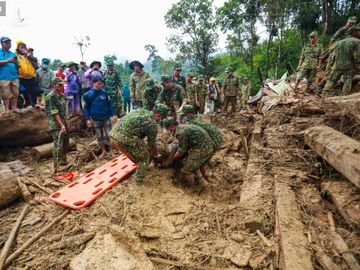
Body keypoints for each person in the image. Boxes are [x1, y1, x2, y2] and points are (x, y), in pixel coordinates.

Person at [110, 109, 158, 185]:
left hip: (113, 133)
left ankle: (143, 167)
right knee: (144, 157)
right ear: (158, 115)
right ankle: (138, 183)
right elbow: (151, 145)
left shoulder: (143, 111)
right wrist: (155, 153)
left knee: (142, 149)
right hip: (123, 138)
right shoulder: (152, 123)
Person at [163, 117, 213, 187]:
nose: (168, 131)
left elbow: (181, 151)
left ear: (171, 126)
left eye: (168, 129)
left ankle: (194, 188)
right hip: (206, 145)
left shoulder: (181, 132)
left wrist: (170, 160)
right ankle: (203, 181)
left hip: (202, 148)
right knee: (193, 164)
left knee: (186, 170)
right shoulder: (181, 127)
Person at [84, 78, 117, 159]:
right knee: (99, 136)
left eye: (101, 84)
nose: (100, 85)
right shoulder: (87, 95)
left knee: (109, 135)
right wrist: (87, 119)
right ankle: (103, 151)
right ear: (93, 83)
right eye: (99, 83)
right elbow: (86, 108)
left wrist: (113, 115)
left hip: (106, 118)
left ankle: (111, 151)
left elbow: (110, 105)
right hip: (95, 119)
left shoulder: (105, 93)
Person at [323, 25, 360, 95]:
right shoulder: (357, 42)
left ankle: (324, 94)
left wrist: (331, 64)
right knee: (347, 82)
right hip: (348, 67)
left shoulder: (339, 42)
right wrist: (358, 68)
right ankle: (343, 97)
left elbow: (333, 55)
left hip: (337, 66)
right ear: (354, 32)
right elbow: (357, 57)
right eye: (358, 31)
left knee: (331, 81)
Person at [45, 77, 69, 175]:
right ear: (54, 85)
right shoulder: (51, 96)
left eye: (62, 84)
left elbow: (64, 110)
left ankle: (64, 161)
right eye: (59, 85)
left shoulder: (61, 95)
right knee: (58, 145)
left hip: (64, 121)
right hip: (56, 124)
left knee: (66, 143)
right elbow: (54, 112)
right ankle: (57, 166)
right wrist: (61, 125)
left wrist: (66, 123)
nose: (61, 86)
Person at [0, 36, 20, 116]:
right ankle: (6, 110)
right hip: (4, 77)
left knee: (15, 93)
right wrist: (9, 61)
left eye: (9, 42)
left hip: (14, 76)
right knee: (6, 94)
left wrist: (15, 63)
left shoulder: (12, 54)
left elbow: (19, 66)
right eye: (6, 42)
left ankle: (14, 108)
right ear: (1, 43)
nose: (8, 44)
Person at [15, 40, 38, 107]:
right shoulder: (15, 55)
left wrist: (27, 54)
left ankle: (34, 105)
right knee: (26, 92)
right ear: (18, 48)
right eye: (21, 47)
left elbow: (35, 60)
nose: (23, 48)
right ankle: (28, 104)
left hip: (31, 76)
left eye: (24, 47)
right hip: (22, 77)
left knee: (33, 91)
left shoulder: (28, 56)